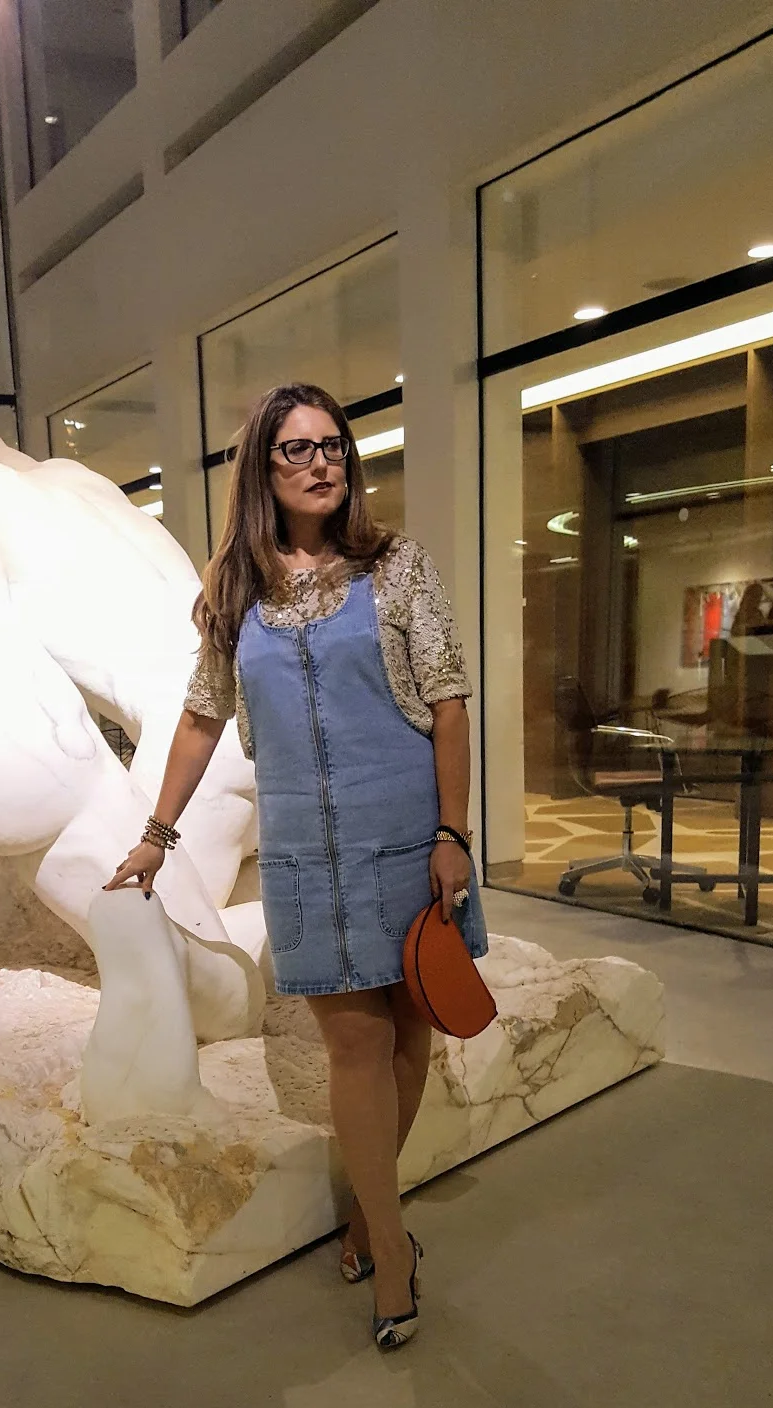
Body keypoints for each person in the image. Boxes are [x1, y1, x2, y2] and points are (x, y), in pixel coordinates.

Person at [106, 381, 487, 1348]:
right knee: (353, 1047)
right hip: (306, 858)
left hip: (407, 838)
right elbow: (201, 717)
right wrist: (157, 834)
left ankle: (366, 1214)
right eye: (298, 449)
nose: (322, 464)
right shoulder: (233, 592)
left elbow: (448, 704)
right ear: (261, 470)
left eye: (333, 446)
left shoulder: (397, 566)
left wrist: (453, 834)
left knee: (409, 1039)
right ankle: (391, 1247)